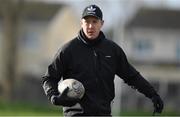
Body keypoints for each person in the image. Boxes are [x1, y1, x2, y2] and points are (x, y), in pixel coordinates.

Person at [42, 4, 164, 116]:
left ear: (102, 23)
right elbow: (49, 78)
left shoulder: (112, 50)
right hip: (76, 114)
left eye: (95, 21)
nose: (90, 26)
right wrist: (54, 96)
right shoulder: (68, 50)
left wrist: (152, 94)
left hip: (103, 113)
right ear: (81, 23)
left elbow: (131, 76)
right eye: (87, 21)